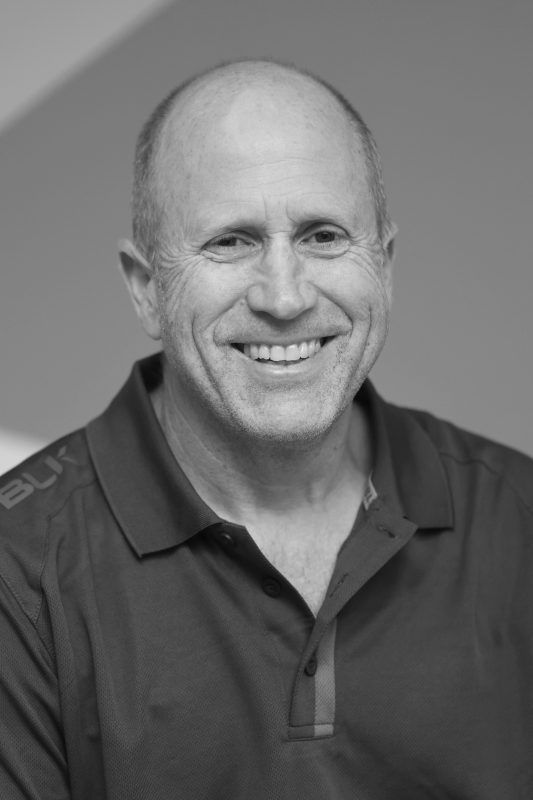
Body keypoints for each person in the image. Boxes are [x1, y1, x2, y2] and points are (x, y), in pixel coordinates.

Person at [0, 59, 531, 800]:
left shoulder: (518, 519)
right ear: (146, 288)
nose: (283, 296)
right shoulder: (17, 570)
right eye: (230, 242)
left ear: (384, 265)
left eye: (322, 235)